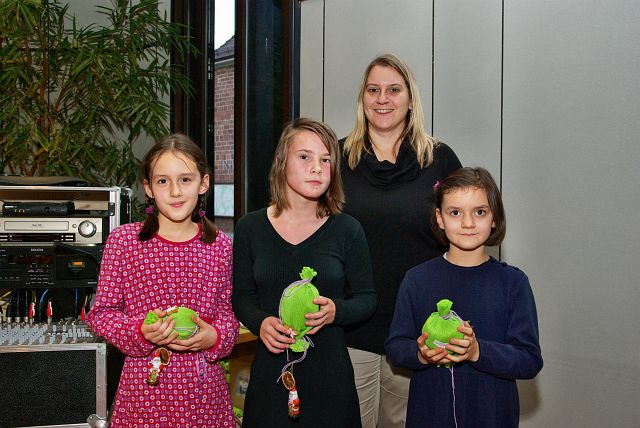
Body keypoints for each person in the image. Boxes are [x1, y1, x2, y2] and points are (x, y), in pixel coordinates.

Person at [341, 53, 462, 427]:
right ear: (362, 98)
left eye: (394, 90)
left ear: (410, 99)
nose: (383, 99)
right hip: (349, 327)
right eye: (373, 89)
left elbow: (465, 234)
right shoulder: (335, 159)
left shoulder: (440, 160)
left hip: (418, 329)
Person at [86, 133, 239, 427]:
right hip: (143, 392)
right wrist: (140, 331)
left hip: (204, 394)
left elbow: (227, 315)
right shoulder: (124, 242)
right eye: (163, 181)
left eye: (185, 179)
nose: (175, 191)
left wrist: (215, 336)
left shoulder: (219, 245)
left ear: (203, 183)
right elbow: (102, 314)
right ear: (149, 188)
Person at [232, 118, 377, 428]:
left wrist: (336, 310)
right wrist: (261, 322)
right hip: (270, 376)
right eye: (304, 157)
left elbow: (367, 299)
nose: (316, 168)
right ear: (281, 161)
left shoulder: (347, 229)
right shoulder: (250, 228)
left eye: (326, 160)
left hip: (330, 380)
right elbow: (242, 297)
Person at [384, 167, 543, 427]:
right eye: (455, 212)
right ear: (439, 218)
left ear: (494, 218)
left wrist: (478, 351)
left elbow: (529, 360)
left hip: (492, 415)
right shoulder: (417, 279)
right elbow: (396, 346)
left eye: (479, 212)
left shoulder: (513, 283)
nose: (468, 223)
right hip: (430, 413)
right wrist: (421, 354)